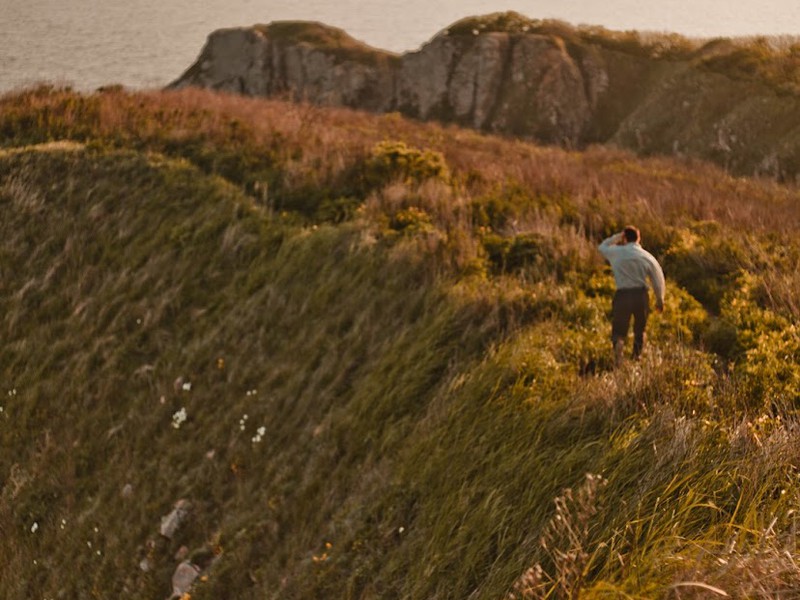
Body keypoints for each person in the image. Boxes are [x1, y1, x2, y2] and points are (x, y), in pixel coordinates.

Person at [598, 226, 665, 365]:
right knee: (640, 329)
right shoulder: (646, 256)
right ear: (638, 238)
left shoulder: (616, 252)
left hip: (622, 294)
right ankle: (636, 357)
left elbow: (602, 247)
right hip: (640, 295)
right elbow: (657, 278)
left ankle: (618, 353)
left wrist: (617, 237)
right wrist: (660, 299)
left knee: (619, 329)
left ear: (624, 237)